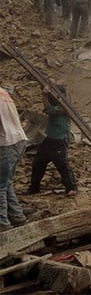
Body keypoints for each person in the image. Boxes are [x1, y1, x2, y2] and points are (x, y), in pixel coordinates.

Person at [27, 85, 77, 196]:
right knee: (38, 162)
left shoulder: (65, 106)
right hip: (51, 138)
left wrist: (44, 95)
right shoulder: (58, 104)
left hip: (60, 139)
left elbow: (49, 110)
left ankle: (71, 188)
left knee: (62, 164)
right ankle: (34, 188)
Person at [0, 87, 29, 232]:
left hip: (6, 144)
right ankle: (17, 217)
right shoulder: (3, 92)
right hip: (19, 140)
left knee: (0, 185)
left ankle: (3, 224)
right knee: (6, 183)